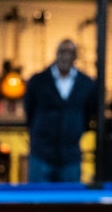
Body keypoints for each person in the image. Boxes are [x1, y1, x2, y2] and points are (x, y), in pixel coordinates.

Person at [23, 38, 99, 183]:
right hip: (41, 153)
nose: (65, 56)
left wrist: (74, 130)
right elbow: (29, 111)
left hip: (71, 155)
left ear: (75, 56)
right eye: (62, 52)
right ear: (56, 54)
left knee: (69, 202)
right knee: (38, 201)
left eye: (69, 52)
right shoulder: (38, 81)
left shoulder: (86, 84)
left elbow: (89, 112)